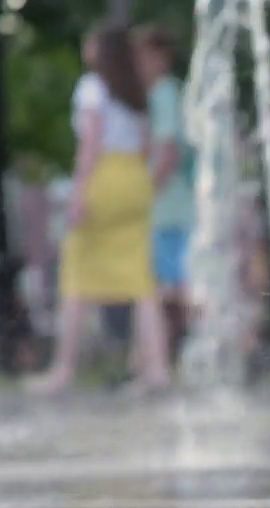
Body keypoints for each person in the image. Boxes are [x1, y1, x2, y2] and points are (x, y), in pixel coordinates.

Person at [25, 24, 171, 396]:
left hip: (104, 177)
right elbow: (146, 147)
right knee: (141, 280)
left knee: (76, 275)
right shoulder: (136, 91)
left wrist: (79, 193)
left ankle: (63, 369)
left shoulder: (92, 87)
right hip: (134, 179)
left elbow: (90, 143)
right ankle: (157, 369)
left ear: (101, 50)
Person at [134, 24, 196, 366]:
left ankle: (148, 363)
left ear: (161, 58)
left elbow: (168, 154)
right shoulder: (167, 93)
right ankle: (150, 360)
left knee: (164, 289)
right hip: (175, 208)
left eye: (143, 56)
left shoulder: (163, 94)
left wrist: (143, 192)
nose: (138, 64)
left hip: (170, 209)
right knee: (172, 289)